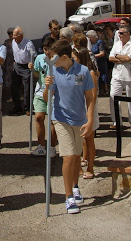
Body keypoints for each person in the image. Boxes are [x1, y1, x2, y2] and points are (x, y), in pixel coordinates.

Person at [43, 39, 94, 215]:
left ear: (64, 57)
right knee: (68, 156)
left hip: (79, 119)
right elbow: (47, 98)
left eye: (54, 57)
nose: (51, 60)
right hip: (60, 119)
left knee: (76, 156)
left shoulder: (83, 71)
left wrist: (89, 121)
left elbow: (90, 98)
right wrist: (47, 87)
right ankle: (68, 197)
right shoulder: (54, 72)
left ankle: (75, 186)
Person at [72, 48, 99, 179]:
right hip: (77, 108)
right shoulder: (74, 71)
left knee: (89, 139)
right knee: (77, 140)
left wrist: (90, 117)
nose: (72, 60)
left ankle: (90, 167)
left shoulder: (90, 73)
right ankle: (78, 167)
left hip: (88, 109)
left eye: (74, 57)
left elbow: (92, 96)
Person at [30, 37, 57, 157]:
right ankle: (41, 146)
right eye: (45, 49)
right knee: (39, 117)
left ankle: (52, 147)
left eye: (49, 49)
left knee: (52, 120)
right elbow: (37, 74)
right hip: (40, 91)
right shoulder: (39, 58)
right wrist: (32, 70)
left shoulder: (58, 60)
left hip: (54, 93)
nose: (46, 52)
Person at [108, 25, 131, 130]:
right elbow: (110, 58)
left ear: (128, 34)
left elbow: (129, 59)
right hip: (117, 74)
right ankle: (116, 121)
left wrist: (117, 56)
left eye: (121, 33)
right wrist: (121, 58)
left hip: (129, 76)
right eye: (119, 33)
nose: (119, 35)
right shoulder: (116, 44)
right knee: (113, 96)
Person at [10, 27, 36, 115]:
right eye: (12, 35)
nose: (13, 37)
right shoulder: (13, 42)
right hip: (17, 66)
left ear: (21, 35)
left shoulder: (28, 44)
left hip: (26, 67)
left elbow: (34, 55)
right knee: (14, 87)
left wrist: (31, 63)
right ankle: (17, 107)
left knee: (27, 89)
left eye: (15, 35)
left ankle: (27, 108)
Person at [86, 29, 108, 96]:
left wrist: (93, 55)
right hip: (95, 62)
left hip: (101, 61)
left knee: (103, 76)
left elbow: (102, 53)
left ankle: (106, 91)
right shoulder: (91, 44)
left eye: (90, 37)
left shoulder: (99, 42)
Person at [2, 27, 14, 102]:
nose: (10, 35)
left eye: (12, 33)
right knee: (7, 82)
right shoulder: (6, 42)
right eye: (9, 33)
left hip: (15, 64)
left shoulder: (18, 42)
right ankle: (9, 96)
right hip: (7, 64)